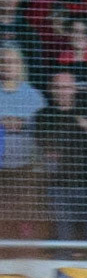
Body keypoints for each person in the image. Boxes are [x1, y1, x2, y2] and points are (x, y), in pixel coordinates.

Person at [36, 69, 87, 256]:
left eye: (67, 87)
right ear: (51, 90)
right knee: (63, 244)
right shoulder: (43, 115)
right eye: (58, 87)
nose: (62, 91)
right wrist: (79, 124)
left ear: (75, 89)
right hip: (59, 189)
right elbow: (49, 147)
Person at [0, 46, 46, 242]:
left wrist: (23, 123)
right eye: (4, 61)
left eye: (13, 62)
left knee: (24, 219)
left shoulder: (34, 97)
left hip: (26, 170)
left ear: (20, 66)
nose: (8, 66)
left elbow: (45, 129)